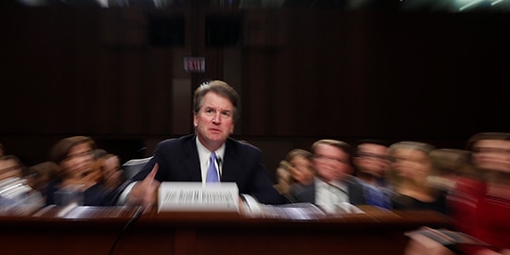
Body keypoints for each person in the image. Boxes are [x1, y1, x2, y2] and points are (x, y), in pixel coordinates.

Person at [123, 81, 285, 207]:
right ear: (196, 119)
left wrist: (240, 203)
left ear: (232, 126)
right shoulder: (170, 151)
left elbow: (271, 198)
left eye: (225, 114)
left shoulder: (248, 156)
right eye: (210, 111)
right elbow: (126, 190)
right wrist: (135, 193)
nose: (216, 120)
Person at [287, 139, 372, 209]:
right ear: (314, 161)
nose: (329, 164)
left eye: (338, 160)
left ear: (347, 166)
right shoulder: (298, 191)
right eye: (322, 157)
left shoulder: (359, 190)